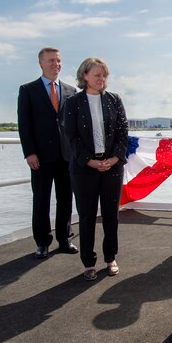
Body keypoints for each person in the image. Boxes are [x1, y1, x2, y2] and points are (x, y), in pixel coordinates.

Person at [63, 57, 128, 281]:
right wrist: (89, 161)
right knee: (87, 216)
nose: (101, 79)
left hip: (112, 167)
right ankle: (88, 262)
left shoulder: (115, 100)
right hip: (84, 169)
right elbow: (71, 136)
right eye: (97, 75)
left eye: (104, 75)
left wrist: (114, 158)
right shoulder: (72, 103)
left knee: (111, 216)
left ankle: (110, 258)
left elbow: (123, 133)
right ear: (85, 76)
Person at [17, 47, 78, 259]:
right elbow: (24, 125)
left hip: (66, 155)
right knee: (41, 199)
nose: (56, 64)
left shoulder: (71, 91)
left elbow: (75, 125)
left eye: (59, 61)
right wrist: (29, 152)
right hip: (40, 156)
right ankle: (42, 242)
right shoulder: (28, 90)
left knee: (65, 199)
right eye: (51, 60)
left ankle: (65, 239)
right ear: (40, 63)